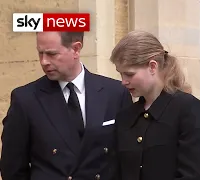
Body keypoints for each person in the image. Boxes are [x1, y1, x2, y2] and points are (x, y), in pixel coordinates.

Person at [0, 32, 132, 180]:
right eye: (40, 53)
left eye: (51, 54)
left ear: (76, 49)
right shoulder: (26, 99)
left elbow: (127, 159)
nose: (43, 61)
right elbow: (12, 168)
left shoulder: (115, 93)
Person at [109, 30, 200, 180]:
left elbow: (190, 174)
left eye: (129, 74)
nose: (123, 82)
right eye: (121, 74)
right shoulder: (125, 116)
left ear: (152, 66)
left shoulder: (186, 108)